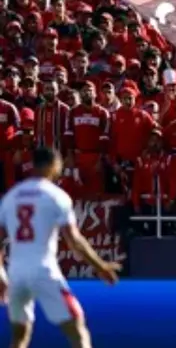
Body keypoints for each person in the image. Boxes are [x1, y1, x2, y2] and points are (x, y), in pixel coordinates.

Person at [0, 148, 121, 348]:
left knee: (19, 335)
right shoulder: (56, 196)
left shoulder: (11, 197)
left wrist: (1, 276)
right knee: (77, 328)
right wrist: (101, 266)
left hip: (16, 273)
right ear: (54, 165)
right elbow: (74, 240)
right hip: (44, 271)